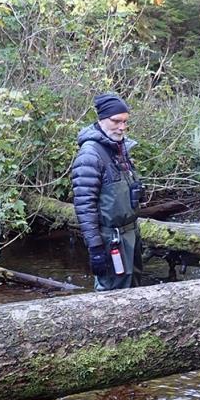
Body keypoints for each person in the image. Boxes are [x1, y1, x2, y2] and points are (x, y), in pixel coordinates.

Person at [71, 92, 143, 290]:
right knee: (112, 293)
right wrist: (95, 248)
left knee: (134, 288)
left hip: (130, 233)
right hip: (111, 239)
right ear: (101, 119)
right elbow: (84, 206)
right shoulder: (90, 155)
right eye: (116, 121)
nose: (122, 127)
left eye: (125, 122)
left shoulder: (120, 149)